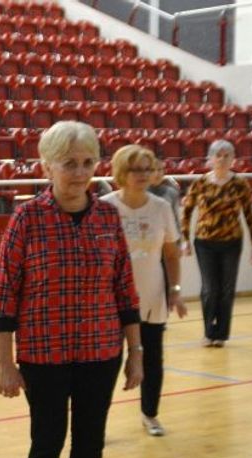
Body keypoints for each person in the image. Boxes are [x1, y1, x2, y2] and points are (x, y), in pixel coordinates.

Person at [0, 122, 142, 458]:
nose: (79, 173)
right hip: (44, 355)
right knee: (48, 441)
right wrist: (4, 363)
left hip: (101, 351)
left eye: (87, 163)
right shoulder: (27, 219)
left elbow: (125, 290)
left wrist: (136, 354)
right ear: (47, 167)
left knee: (90, 443)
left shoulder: (108, 218)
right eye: (68, 164)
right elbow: (4, 294)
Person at [104, 145, 185, 437]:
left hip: (151, 295)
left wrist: (174, 289)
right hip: (111, 299)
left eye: (147, 169)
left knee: (152, 359)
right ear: (121, 172)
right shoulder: (105, 206)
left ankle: (150, 414)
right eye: (135, 169)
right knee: (106, 365)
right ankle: (97, 423)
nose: (142, 175)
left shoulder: (161, 207)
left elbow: (171, 254)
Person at [181, 140, 252, 347]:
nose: (223, 159)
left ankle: (222, 334)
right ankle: (209, 332)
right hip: (204, 241)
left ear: (233, 158)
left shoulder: (240, 183)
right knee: (210, 288)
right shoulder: (200, 182)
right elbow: (187, 212)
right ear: (211, 158)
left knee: (227, 289)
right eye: (218, 155)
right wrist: (185, 239)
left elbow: (249, 214)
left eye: (227, 156)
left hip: (232, 241)